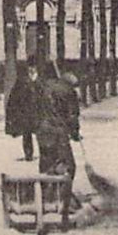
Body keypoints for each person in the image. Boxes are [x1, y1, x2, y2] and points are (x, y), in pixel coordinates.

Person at [33, 63, 82, 201]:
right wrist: (75, 133)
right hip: (59, 133)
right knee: (69, 165)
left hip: (42, 133)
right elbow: (72, 115)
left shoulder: (38, 89)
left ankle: (47, 197)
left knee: (46, 165)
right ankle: (63, 198)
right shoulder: (66, 89)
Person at [5, 63, 40, 162]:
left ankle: (44, 152)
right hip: (26, 111)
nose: (32, 69)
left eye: (34, 67)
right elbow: (15, 96)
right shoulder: (22, 81)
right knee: (27, 132)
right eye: (30, 67)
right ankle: (28, 153)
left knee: (41, 132)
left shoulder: (40, 80)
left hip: (39, 109)